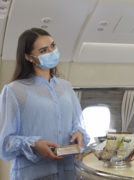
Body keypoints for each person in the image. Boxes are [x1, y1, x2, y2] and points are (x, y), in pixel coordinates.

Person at [0, 28, 89, 180]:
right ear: (29, 57)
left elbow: (76, 123)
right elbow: (5, 142)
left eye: (52, 46)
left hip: (67, 172)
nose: (51, 52)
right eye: (43, 50)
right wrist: (34, 144)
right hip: (33, 175)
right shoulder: (14, 91)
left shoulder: (66, 87)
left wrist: (79, 134)